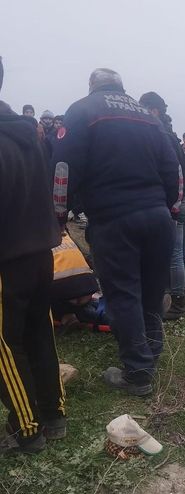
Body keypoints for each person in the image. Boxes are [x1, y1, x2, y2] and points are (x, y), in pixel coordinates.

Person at [52, 68, 180, 396]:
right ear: (121, 86)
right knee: (151, 292)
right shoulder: (147, 116)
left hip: (114, 218)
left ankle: (138, 374)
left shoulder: (82, 110)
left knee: (123, 294)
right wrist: (164, 206)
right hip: (157, 216)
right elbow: (174, 170)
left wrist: (59, 212)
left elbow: (63, 169)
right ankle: (150, 355)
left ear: (91, 85)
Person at [0, 56, 66, 454]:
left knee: (6, 346)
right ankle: (53, 414)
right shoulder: (25, 134)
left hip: (6, 260)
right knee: (39, 331)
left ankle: (26, 430)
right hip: (39, 253)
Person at [139, 91, 185, 319]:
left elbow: (174, 173)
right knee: (182, 253)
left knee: (173, 254)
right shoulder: (170, 135)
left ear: (153, 110)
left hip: (176, 201)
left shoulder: (160, 134)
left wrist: (173, 202)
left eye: (142, 108)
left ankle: (177, 305)